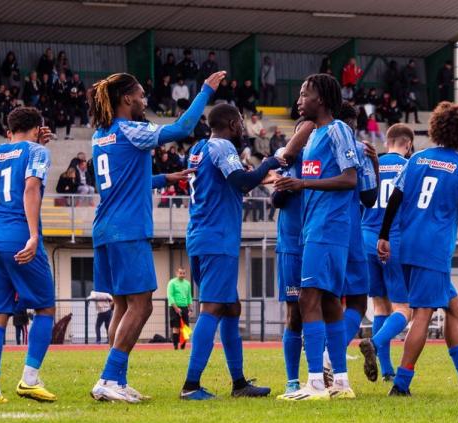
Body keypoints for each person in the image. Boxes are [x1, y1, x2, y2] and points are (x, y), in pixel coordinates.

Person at [88, 70, 225, 403]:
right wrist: (206, 90)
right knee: (143, 304)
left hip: (105, 227)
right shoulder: (130, 129)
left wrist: (165, 177)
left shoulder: (100, 135)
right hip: (128, 228)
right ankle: (109, 377)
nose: (144, 100)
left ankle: (115, 378)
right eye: (140, 95)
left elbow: (124, 181)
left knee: (122, 304)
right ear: (126, 100)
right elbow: (181, 129)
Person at [377, 101, 458, 396]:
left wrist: (384, 235)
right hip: (434, 250)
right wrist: (443, 210)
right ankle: (401, 385)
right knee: (422, 313)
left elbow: (396, 197)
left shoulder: (417, 159)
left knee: (455, 307)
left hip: (406, 244)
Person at [274, 74, 362, 401]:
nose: (299, 100)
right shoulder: (313, 136)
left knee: (307, 299)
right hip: (316, 227)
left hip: (328, 227)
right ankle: (340, 382)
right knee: (327, 302)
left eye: (304, 94)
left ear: (321, 99)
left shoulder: (338, 130)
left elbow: (350, 179)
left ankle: (314, 383)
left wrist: (302, 185)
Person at [181, 103, 277, 401]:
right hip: (217, 237)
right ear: (234, 124)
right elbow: (243, 183)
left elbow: (223, 183)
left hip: (199, 234)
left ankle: (239, 383)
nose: (243, 129)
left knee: (231, 308)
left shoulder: (198, 147)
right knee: (212, 308)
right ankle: (191, 385)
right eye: (241, 123)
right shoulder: (223, 146)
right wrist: (269, 164)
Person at [0, 106, 56, 404]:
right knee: (45, 309)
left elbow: (14, 165)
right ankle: (29, 379)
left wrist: (37, 144)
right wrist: (34, 235)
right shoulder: (37, 153)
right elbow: (30, 188)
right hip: (19, 237)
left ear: (10, 129)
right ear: (38, 128)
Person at [359, 124, 414, 382]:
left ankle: (387, 370)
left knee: (380, 304)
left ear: (387, 142)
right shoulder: (410, 166)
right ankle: (376, 342)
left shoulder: (373, 163)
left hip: (365, 235)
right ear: (408, 144)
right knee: (404, 308)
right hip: (393, 238)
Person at [337, 102, 379, 385]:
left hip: (309, 232)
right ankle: (333, 356)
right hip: (349, 231)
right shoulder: (357, 148)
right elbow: (368, 198)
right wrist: (374, 163)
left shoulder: (309, 142)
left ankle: (301, 377)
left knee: (318, 302)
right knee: (358, 302)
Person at [271, 120, 313, 395]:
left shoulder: (323, 162)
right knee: (294, 313)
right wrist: (284, 187)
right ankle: (291, 380)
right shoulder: (285, 164)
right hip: (292, 245)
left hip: (319, 244)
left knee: (321, 308)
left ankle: (321, 377)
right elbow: (276, 202)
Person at [167, 267, 193, 350]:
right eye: (180, 273)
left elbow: (189, 296)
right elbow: (170, 296)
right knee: (176, 327)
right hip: (174, 307)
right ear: (176, 273)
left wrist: (190, 308)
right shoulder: (172, 283)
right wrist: (176, 308)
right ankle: (175, 347)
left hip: (184, 307)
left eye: (183, 273)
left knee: (185, 328)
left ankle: (183, 347)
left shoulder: (187, 284)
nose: (182, 275)